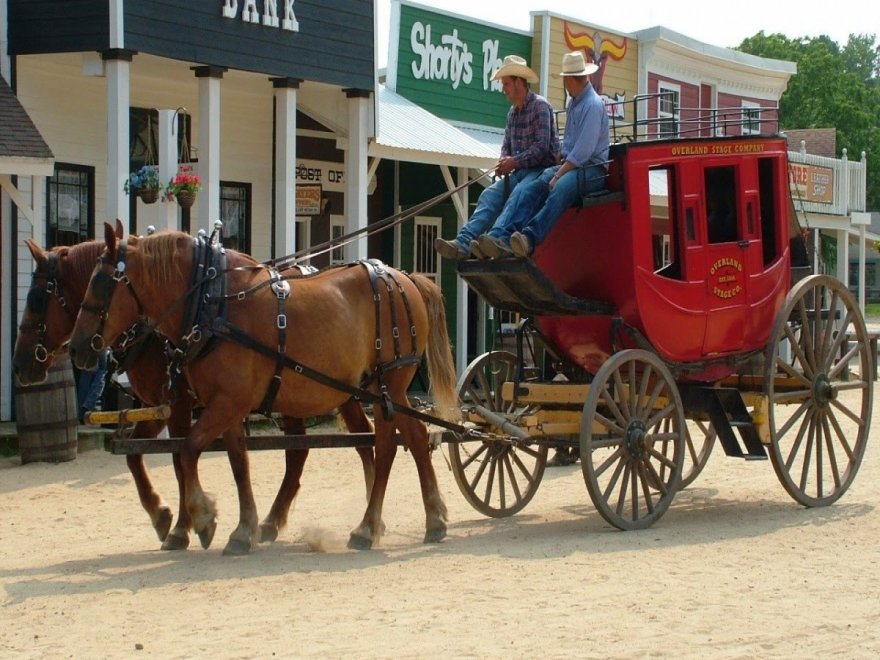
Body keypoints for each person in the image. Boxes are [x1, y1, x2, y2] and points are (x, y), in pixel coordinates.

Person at [474, 51, 610, 259]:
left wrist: (557, 174)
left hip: (592, 170)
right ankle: (502, 237)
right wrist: (557, 162)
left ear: (570, 79)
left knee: (560, 188)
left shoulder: (592, 105)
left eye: (564, 78)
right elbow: (570, 145)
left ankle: (528, 238)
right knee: (531, 187)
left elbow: (583, 152)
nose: (564, 83)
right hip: (571, 166)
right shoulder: (574, 103)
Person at [434, 55, 559, 260]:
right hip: (519, 171)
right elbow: (506, 146)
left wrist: (513, 162)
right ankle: (463, 242)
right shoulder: (512, 113)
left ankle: (497, 238)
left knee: (520, 193)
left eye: (506, 83)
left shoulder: (540, 106)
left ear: (518, 82)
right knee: (489, 195)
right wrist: (503, 161)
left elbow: (542, 148)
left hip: (541, 171)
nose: (503, 89)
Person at [75, 348, 108, 423]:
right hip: (101, 346)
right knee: (101, 372)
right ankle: (87, 406)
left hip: (86, 347)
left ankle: (81, 409)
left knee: (86, 373)